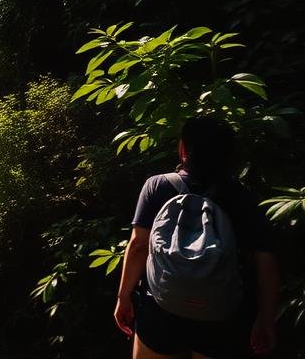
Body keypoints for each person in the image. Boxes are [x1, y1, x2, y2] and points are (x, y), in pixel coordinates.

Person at [113, 115, 279, 358]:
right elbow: (267, 264)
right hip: (222, 316)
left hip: (161, 309)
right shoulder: (244, 198)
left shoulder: (157, 186)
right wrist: (266, 318)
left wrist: (123, 296)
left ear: (183, 149)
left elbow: (139, 246)